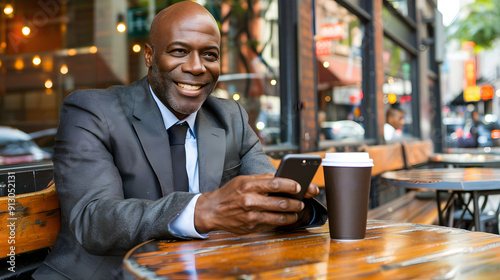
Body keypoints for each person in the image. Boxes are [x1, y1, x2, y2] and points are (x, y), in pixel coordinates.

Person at [32, 2, 326, 279]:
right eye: (179, 51)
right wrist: (202, 210)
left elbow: (267, 193)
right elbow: (94, 220)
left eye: (210, 54)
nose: (196, 67)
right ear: (149, 55)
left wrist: (290, 206)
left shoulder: (230, 117)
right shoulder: (92, 110)